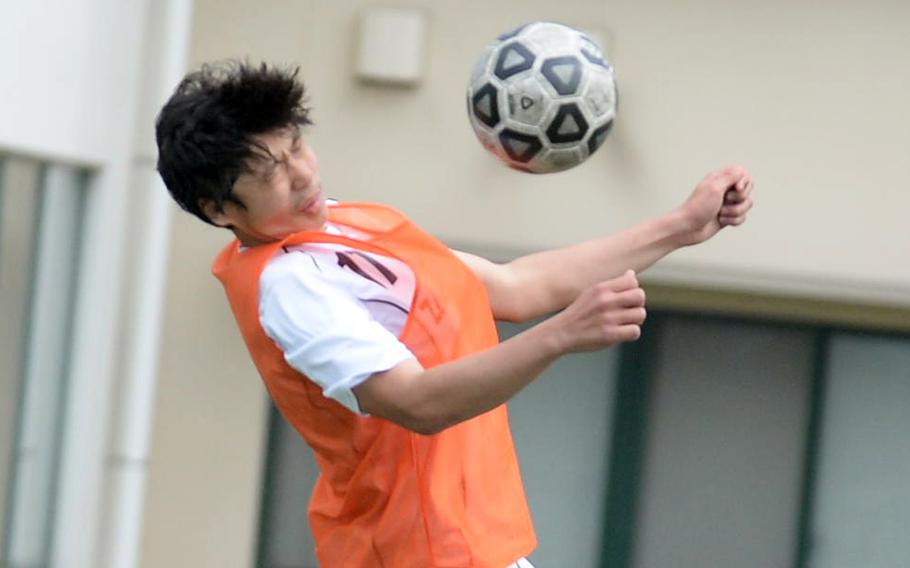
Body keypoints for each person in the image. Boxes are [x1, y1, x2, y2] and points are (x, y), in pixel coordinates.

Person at [155, 61, 753, 568]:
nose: (302, 173)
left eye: (296, 147)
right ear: (217, 209)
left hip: (469, 544)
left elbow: (516, 285)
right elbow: (416, 403)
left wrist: (680, 226)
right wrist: (560, 337)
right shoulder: (288, 286)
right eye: (268, 171)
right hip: (415, 551)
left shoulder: (345, 223)